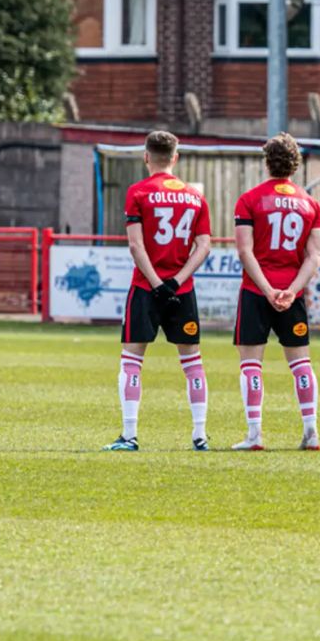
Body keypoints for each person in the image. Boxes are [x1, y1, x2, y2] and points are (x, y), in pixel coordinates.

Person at [103, 131, 212, 452]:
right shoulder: (195, 197)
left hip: (145, 288)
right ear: (175, 158)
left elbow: (136, 246)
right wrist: (176, 282)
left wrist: (157, 284)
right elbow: (204, 246)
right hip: (183, 290)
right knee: (192, 362)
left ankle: (129, 435)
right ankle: (200, 435)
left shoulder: (138, 192)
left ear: (146, 156)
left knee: (132, 360)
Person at [231, 132, 320, 451]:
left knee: (251, 363)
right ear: (295, 164)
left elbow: (245, 251)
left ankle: (254, 434)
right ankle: (311, 432)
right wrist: (291, 290)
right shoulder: (311, 204)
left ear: (267, 162)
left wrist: (268, 289)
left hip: (257, 291)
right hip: (292, 293)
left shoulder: (249, 199)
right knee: (301, 362)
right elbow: (315, 255)